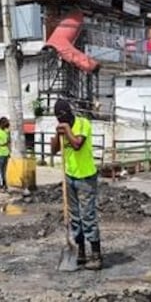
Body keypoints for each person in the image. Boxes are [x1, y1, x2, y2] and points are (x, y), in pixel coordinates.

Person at [51, 98, 101, 270]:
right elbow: (54, 149)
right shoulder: (61, 128)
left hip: (86, 177)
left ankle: (96, 254)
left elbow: (77, 144)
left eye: (62, 116)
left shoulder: (82, 123)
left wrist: (67, 130)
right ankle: (80, 252)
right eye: (57, 117)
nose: (60, 120)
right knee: (75, 218)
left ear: (69, 113)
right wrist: (58, 134)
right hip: (70, 177)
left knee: (87, 215)